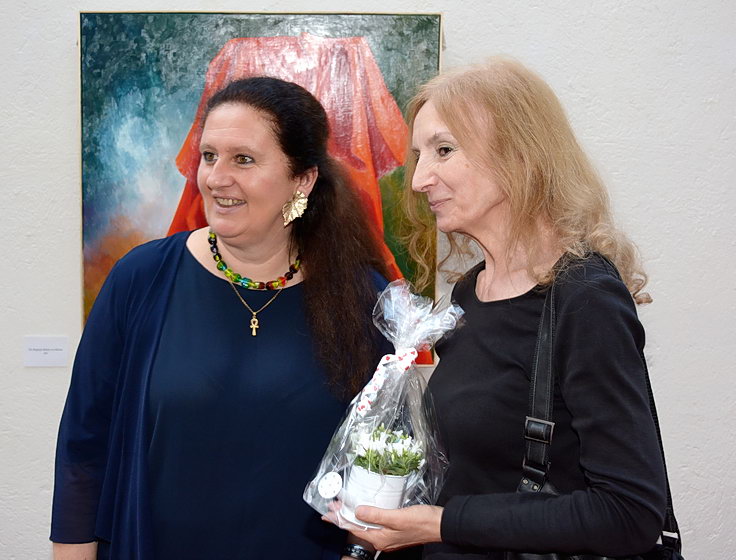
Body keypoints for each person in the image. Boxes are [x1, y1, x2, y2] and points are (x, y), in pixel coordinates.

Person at [51, 76, 395, 559]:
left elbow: (382, 463)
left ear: (302, 180)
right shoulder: (141, 278)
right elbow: (84, 444)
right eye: (209, 156)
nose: (216, 177)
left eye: (243, 159)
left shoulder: (364, 301)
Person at [338, 59, 667, 559]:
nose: (420, 179)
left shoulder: (585, 301)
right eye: (419, 156)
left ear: (519, 154)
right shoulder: (471, 293)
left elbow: (629, 514)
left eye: (444, 150)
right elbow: (478, 471)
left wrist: (442, 524)